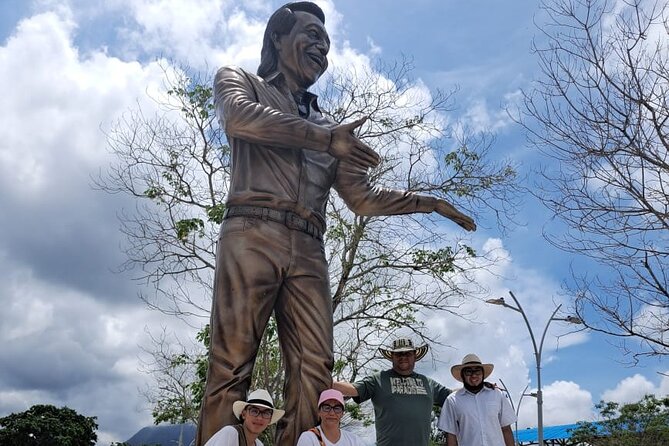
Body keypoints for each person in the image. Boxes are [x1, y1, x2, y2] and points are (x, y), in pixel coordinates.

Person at [197, 2, 477, 445]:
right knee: (232, 360)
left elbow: (361, 198)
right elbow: (237, 118)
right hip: (251, 230)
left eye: (326, 44)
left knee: (315, 363)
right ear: (277, 38)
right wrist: (326, 139)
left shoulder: (332, 129)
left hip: (310, 245)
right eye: (311, 36)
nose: (321, 49)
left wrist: (428, 202)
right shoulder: (241, 81)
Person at [333, 338, 451, 446]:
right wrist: (325, 380)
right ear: (392, 357)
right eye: (399, 354)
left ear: (415, 356)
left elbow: (454, 397)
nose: (403, 356)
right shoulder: (378, 379)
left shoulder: (429, 383)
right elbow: (352, 389)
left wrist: (468, 383)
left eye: (408, 353)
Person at [438, 354, 516, 446]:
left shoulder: (497, 395)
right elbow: (451, 435)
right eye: (468, 372)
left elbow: (506, 429)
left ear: (483, 374)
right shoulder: (452, 400)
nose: (474, 375)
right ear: (462, 375)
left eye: (477, 371)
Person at [204, 389, 285, 446]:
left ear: (270, 420)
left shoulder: (259, 444)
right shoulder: (230, 434)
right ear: (244, 414)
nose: (259, 418)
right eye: (254, 411)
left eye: (266, 413)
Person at [296, 389, 364, 446]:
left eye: (337, 408)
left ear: (342, 413)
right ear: (319, 412)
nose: (332, 413)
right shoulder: (309, 438)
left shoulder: (354, 441)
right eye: (326, 408)